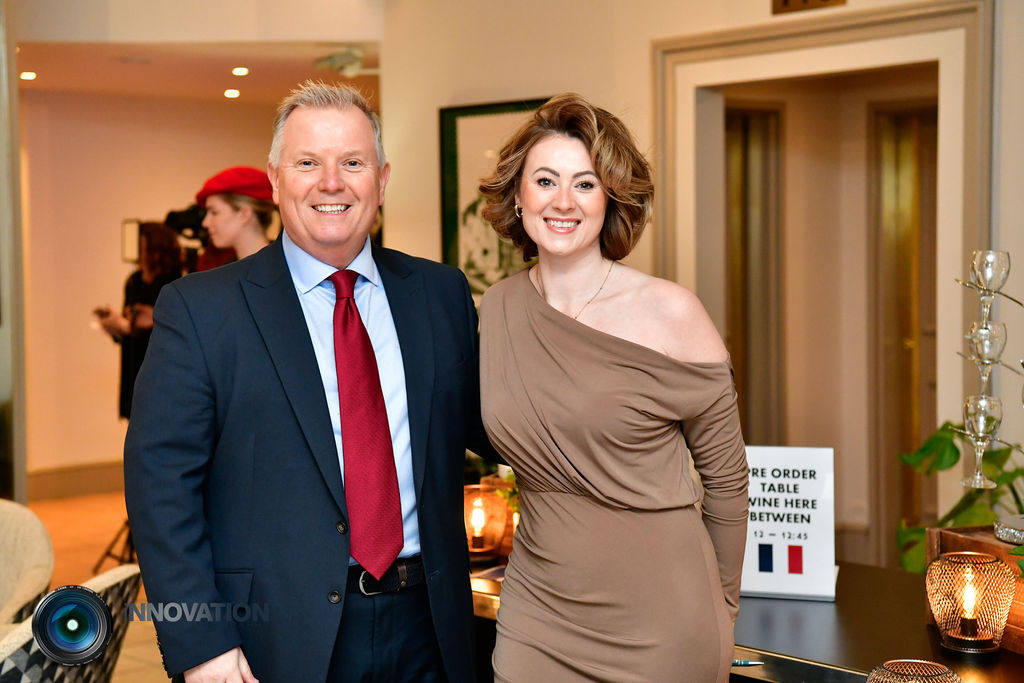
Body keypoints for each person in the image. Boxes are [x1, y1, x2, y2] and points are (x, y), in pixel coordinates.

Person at [124, 81, 493, 683]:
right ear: (275, 181)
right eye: (307, 163)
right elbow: (160, 488)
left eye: (353, 163)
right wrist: (200, 643)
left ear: (382, 180)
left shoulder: (439, 293)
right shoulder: (200, 310)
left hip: (431, 626)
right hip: (274, 638)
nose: (331, 183)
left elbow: (496, 425)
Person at [477, 93, 749, 682]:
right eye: (545, 180)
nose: (563, 202)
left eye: (585, 184)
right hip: (537, 615)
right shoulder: (495, 310)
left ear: (611, 199)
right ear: (518, 194)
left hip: (662, 620)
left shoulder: (672, 312)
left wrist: (723, 607)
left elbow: (728, 483)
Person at [94, 221, 182, 419]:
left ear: (155, 249)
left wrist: (145, 322)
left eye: (140, 245)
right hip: (133, 365)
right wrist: (117, 327)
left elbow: (175, 332)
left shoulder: (173, 283)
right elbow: (129, 325)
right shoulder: (134, 281)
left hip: (160, 370)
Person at [194, 166, 277, 262]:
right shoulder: (226, 268)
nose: (205, 223)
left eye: (214, 213)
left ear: (244, 214)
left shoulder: (281, 267)